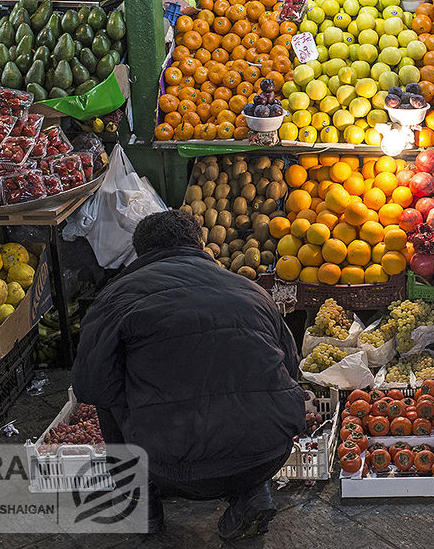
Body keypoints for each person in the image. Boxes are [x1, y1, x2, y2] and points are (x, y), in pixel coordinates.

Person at [73, 209, 305, 539]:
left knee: (106, 400)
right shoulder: (252, 291)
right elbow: (291, 369)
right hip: (269, 454)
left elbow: (90, 385)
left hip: (173, 466)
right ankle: (253, 492)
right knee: (256, 387)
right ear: (200, 243)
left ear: (141, 254)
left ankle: (144, 506)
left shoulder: (116, 298)